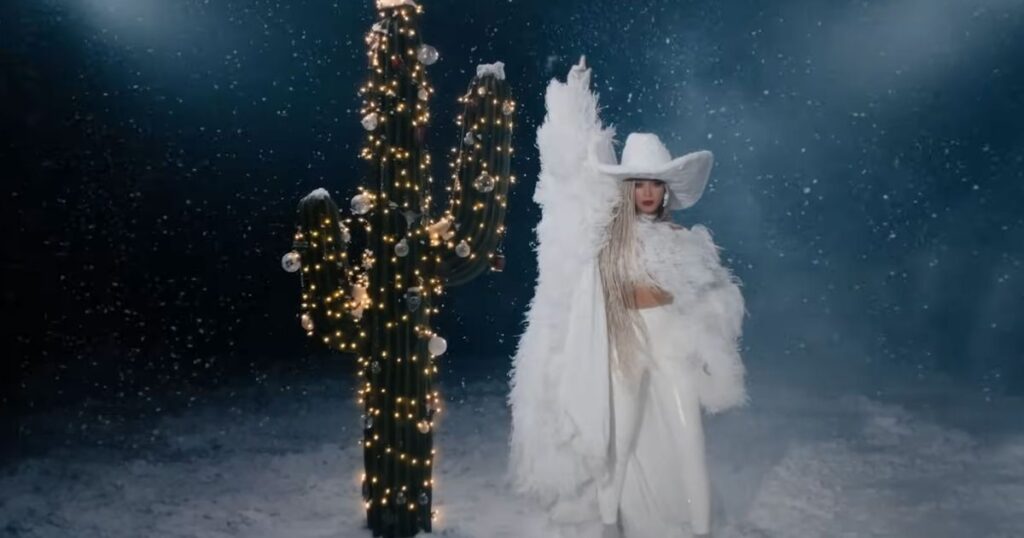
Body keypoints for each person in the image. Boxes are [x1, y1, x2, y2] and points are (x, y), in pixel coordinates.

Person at [508, 57, 748, 538]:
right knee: (614, 440)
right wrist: (576, 97)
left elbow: (711, 296)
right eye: (638, 183)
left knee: (690, 442)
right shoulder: (611, 239)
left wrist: (711, 342)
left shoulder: (684, 239)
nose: (646, 192)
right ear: (628, 189)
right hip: (626, 348)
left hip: (673, 348)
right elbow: (568, 186)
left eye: (654, 183)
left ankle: (700, 531)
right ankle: (609, 523)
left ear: (665, 190)